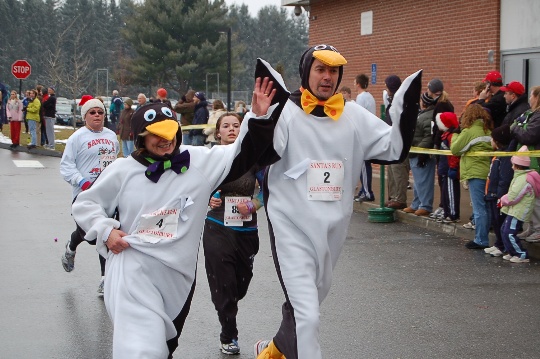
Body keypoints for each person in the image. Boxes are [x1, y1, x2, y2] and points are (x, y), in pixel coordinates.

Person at [71, 76, 277, 358]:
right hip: (134, 270)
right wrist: (106, 230)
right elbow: (85, 204)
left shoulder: (197, 161)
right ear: (141, 137)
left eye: (170, 132)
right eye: (156, 134)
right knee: (142, 349)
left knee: (165, 347)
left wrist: (257, 115)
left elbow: (240, 153)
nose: (166, 140)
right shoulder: (122, 170)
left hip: (178, 278)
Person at [252, 45, 422, 359]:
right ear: (306, 72)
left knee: (307, 306)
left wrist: (406, 108)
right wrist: (260, 120)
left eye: (333, 71)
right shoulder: (286, 112)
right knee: (308, 314)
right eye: (320, 69)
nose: (327, 77)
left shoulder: (354, 114)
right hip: (291, 227)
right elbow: (259, 155)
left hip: (333, 230)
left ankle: (272, 352)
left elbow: (392, 149)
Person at [202, 112, 265, 355]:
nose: (231, 129)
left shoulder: (253, 157)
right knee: (223, 282)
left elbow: (267, 190)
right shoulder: (210, 157)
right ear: (218, 132)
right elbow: (194, 188)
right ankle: (229, 333)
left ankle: (229, 306)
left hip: (246, 228)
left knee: (240, 284)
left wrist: (253, 204)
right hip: (217, 226)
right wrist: (209, 197)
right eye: (225, 126)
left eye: (236, 125)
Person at [60, 96, 120, 294]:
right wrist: (82, 181)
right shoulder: (77, 137)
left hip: (107, 193)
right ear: (85, 116)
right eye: (92, 112)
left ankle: (105, 278)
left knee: (105, 231)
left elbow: (115, 163)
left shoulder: (112, 136)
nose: (97, 115)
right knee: (90, 235)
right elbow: (66, 166)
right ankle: (71, 246)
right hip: (84, 193)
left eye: (100, 112)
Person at [450, 104, 493, 249]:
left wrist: (456, 134)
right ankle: (483, 236)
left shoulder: (469, 131)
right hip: (487, 171)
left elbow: (455, 149)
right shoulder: (487, 131)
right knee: (486, 207)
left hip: (475, 172)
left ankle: (481, 239)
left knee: (478, 208)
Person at [499, 146, 540, 263]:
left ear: (517, 165)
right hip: (514, 210)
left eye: (513, 164)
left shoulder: (523, 179)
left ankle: (520, 254)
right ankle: (512, 251)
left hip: (518, 211)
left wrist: (503, 200)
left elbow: (514, 196)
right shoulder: (521, 177)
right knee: (505, 230)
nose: (512, 167)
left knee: (509, 232)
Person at [510, 86, 540, 242]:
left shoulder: (538, 116)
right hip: (529, 161)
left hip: (536, 162)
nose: (529, 99)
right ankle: (532, 227)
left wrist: (517, 128)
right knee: (530, 196)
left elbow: (528, 135)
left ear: (536, 97)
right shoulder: (531, 114)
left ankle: (538, 229)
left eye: (531, 95)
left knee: (536, 197)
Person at [403, 92, 436, 217]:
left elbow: (428, 136)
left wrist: (420, 150)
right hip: (416, 151)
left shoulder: (428, 116)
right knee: (418, 181)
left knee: (424, 181)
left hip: (420, 153)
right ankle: (416, 203)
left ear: (424, 102)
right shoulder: (423, 114)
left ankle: (425, 205)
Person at [483, 124, 514, 257]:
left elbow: (504, 178)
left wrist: (500, 196)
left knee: (500, 221)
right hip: (492, 193)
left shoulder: (505, 157)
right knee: (495, 222)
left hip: (498, 195)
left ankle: (502, 245)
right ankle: (498, 243)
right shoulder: (498, 155)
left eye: (492, 139)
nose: (491, 141)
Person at [384, 75, 409, 210]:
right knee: (392, 171)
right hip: (392, 140)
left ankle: (400, 198)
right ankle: (393, 196)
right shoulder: (393, 100)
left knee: (399, 170)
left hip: (399, 140)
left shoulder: (400, 100)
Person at [434, 112, 461, 223]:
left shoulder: (451, 136)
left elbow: (454, 154)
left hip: (449, 168)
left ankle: (453, 214)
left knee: (451, 192)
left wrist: (453, 168)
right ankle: (446, 212)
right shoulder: (445, 135)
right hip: (444, 168)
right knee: (445, 192)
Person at [354, 73, 377, 203]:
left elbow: (359, 116)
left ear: (358, 84)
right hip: (369, 131)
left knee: (363, 163)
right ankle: (364, 189)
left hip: (363, 133)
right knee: (364, 163)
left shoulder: (361, 97)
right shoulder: (370, 97)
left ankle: (367, 191)